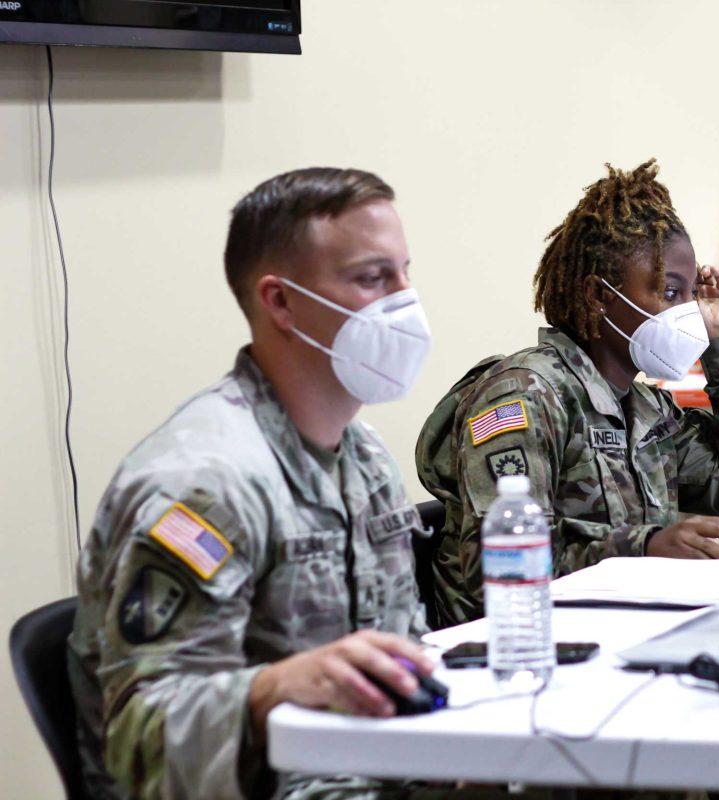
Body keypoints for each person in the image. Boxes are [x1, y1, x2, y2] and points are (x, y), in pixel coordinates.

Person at [68, 168, 442, 799]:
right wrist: (270, 691)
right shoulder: (205, 482)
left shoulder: (365, 459)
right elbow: (137, 742)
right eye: (372, 278)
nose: (404, 302)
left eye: (405, 273)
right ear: (280, 302)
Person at [417, 159, 719, 628]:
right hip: (516, 648)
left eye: (691, 294)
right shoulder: (524, 398)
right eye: (671, 293)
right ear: (599, 295)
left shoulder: (644, 406)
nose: (687, 311)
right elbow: (494, 572)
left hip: (619, 629)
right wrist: (646, 546)